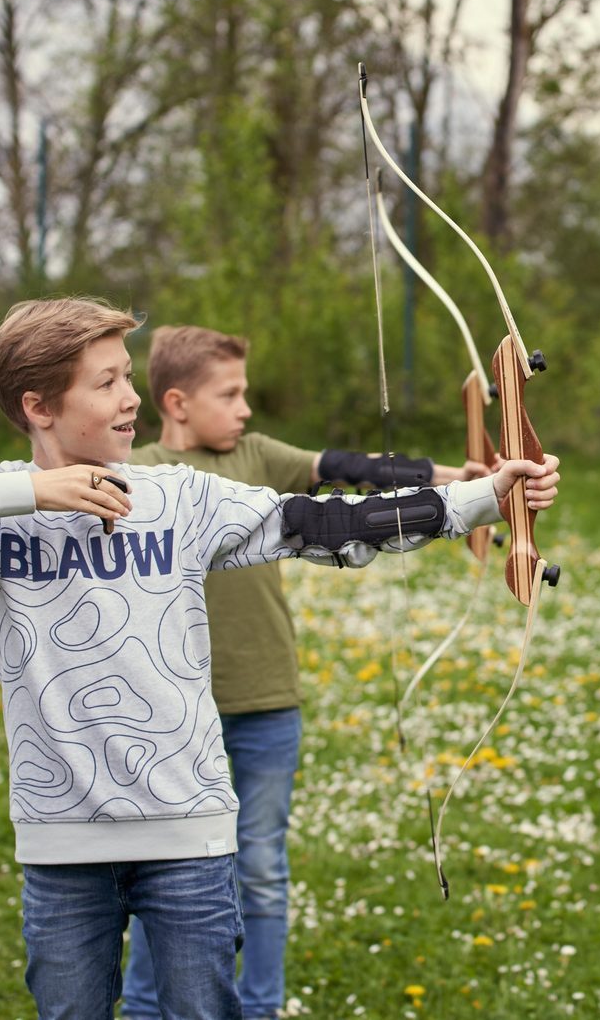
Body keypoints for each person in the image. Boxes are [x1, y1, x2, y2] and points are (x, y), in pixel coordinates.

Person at [0, 298, 560, 1019]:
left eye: (128, 376)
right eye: (105, 384)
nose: (131, 397)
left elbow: (320, 523)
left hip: (188, 834)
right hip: (61, 844)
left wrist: (479, 499)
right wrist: (31, 491)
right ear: (38, 404)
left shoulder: (177, 496)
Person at [120, 325, 485, 1020]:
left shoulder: (256, 455)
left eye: (245, 392)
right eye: (229, 394)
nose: (245, 407)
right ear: (176, 402)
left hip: (265, 703)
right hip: (173, 712)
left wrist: (460, 482)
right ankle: (145, 1009)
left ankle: (258, 1008)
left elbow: (352, 469)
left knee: (259, 870)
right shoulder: (139, 473)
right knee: (162, 874)